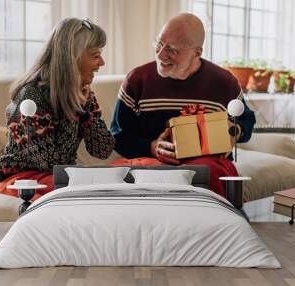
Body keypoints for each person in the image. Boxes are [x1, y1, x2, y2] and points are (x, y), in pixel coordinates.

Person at [110, 13, 256, 198]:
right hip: (152, 161)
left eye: (172, 49)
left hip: (206, 164)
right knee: (115, 174)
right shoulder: (137, 80)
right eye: (159, 43)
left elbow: (247, 121)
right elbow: (118, 136)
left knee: (207, 173)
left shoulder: (225, 83)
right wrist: (152, 146)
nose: (161, 54)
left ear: (197, 53)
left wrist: (234, 131)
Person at [0, 18, 115, 201]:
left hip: (60, 179)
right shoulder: (31, 95)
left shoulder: (83, 95)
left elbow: (103, 149)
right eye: (95, 55)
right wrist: (79, 108)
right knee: (87, 191)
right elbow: (49, 161)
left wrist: (85, 113)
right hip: (24, 181)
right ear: (71, 57)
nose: (102, 63)